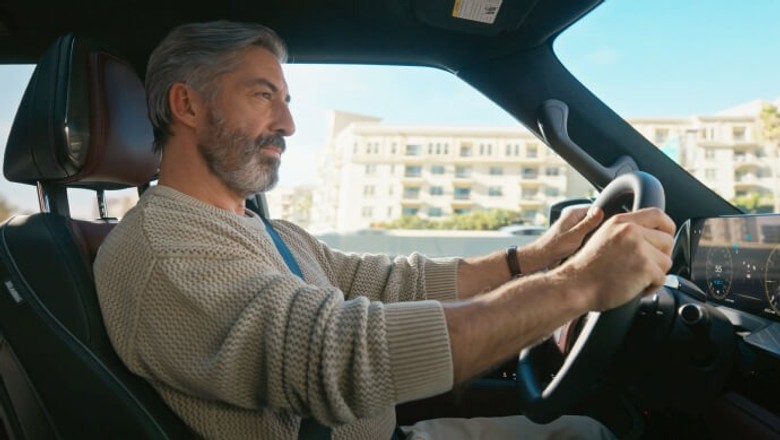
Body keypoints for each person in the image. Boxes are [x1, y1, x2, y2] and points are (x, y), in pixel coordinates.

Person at [93, 21, 675, 440]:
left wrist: (539, 256)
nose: (289, 124)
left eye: (287, 100)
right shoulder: (163, 253)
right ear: (187, 106)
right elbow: (341, 355)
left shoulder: (266, 231)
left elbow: (389, 283)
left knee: (584, 430)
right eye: (263, 95)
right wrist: (579, 286)